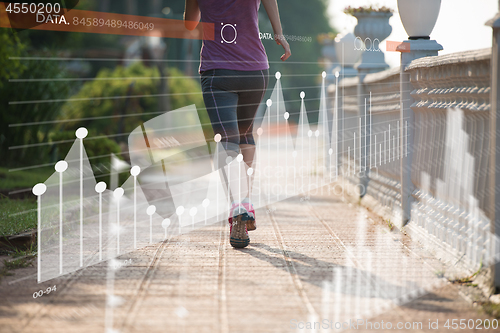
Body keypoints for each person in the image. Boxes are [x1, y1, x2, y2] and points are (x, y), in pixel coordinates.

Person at [184, 0, 291, 248]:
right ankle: (246, 203)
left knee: (227, 140)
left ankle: (238, 207)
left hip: (218, 72)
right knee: (244, 135)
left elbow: (190, 25)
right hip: (255, 71)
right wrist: (279, 33)